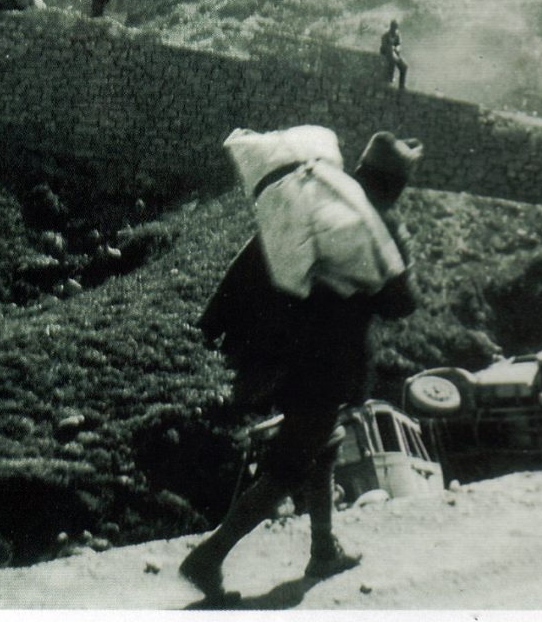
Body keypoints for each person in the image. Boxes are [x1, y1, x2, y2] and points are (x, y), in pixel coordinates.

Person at [181, 131, 423, 603]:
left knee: (324, 442)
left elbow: (251, 259)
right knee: (291, 464)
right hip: (328, 365)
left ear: (360, 169)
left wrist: (214, 321)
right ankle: (209, 557)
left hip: (283, 356)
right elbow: (401, 303)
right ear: (397, 186)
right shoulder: (377, 225)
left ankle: (323, 549)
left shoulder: (309, 204)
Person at [380, 20, 408, 90]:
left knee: (404, 67)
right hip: (386, 55)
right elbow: (384, 46)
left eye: (396, 27)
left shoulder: (397, 35)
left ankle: (401, 86)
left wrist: (396, 49)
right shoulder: (385, 35)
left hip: (395, 55)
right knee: (391, 56)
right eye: (393, 27)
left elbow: (399, 46)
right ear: (391, 27)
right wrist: (391, 48)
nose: (394, 29)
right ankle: (390, 79)